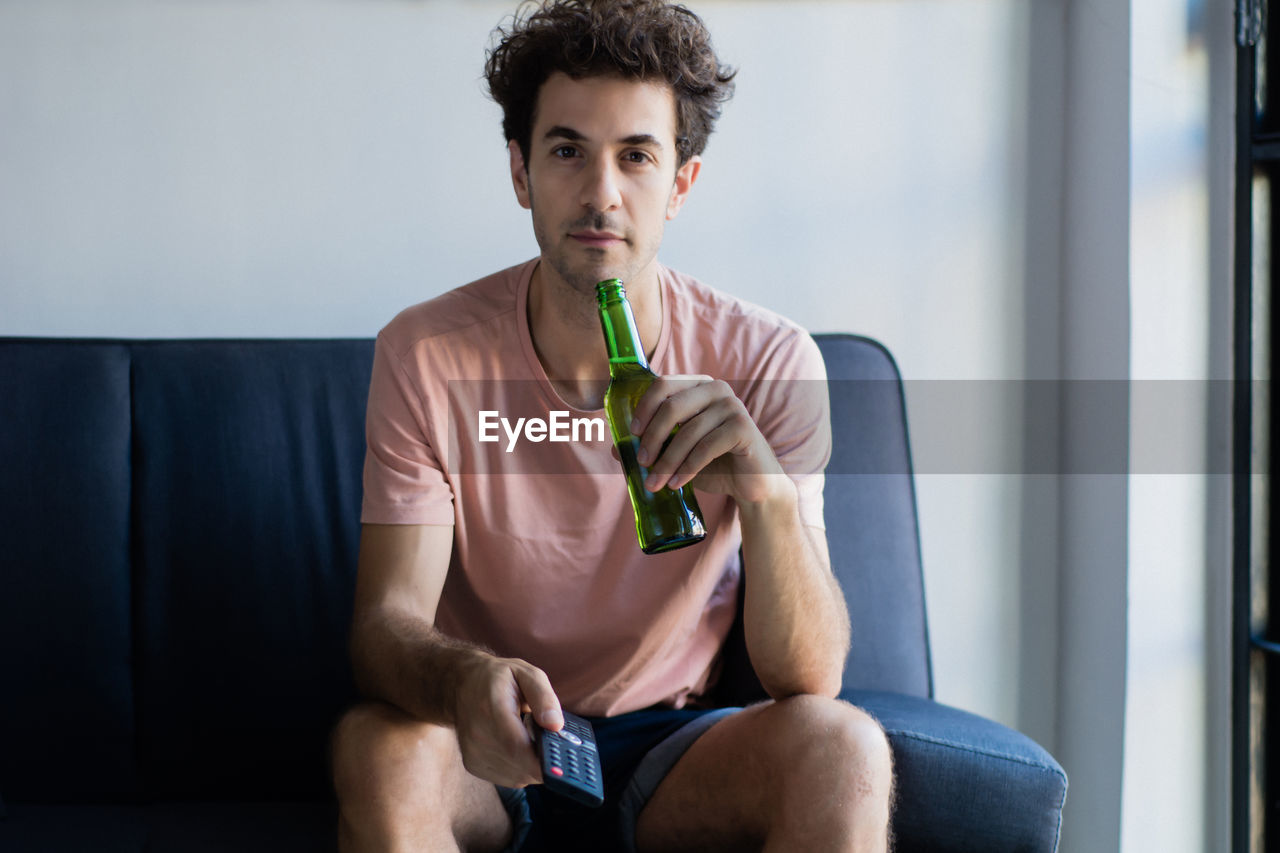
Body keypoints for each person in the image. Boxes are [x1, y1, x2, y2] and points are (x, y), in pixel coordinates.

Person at [330, 1, 894, 850]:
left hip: (671, 746)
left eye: (636, 156)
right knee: (379, 749)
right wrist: (464, 682)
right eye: (567, 151)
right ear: (520, 172)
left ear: (680, 184)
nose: (601, 193)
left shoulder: (770, 359)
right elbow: (383, 626)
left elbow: (808, 675)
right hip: (487, 740)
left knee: (844, 748)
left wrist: (763, 488)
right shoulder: (426, 354)